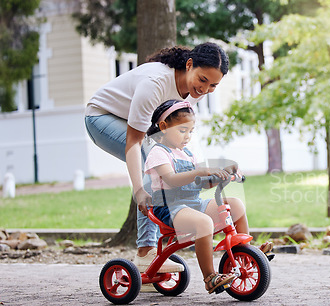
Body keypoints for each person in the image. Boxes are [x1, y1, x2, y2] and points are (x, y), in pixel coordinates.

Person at [84, 43, 229, 273]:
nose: (205, 89)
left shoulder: (193, 92)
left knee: (165, 159)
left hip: (133, 123)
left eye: (213, 85)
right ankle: (146, 252)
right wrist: (139, 189)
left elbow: (187, 138)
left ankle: (161, 245)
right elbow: (134, 142)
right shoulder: (155, 84)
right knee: (153, 160)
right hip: (102, 116)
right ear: (189, 65)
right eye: (202, 80)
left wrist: (203, 170)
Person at [144, 99, 243, 293]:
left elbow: (202, 183)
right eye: (182, 130)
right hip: (169, 208)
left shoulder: (187, 154)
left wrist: (223, 174)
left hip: (193, 203)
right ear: (163, 127)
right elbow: (172, 179)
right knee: (204, 223)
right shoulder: (158, 152)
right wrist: (200, 171)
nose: (187, 136)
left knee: (235, 205)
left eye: (191, 131)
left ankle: (244, 255)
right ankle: (210, 277)